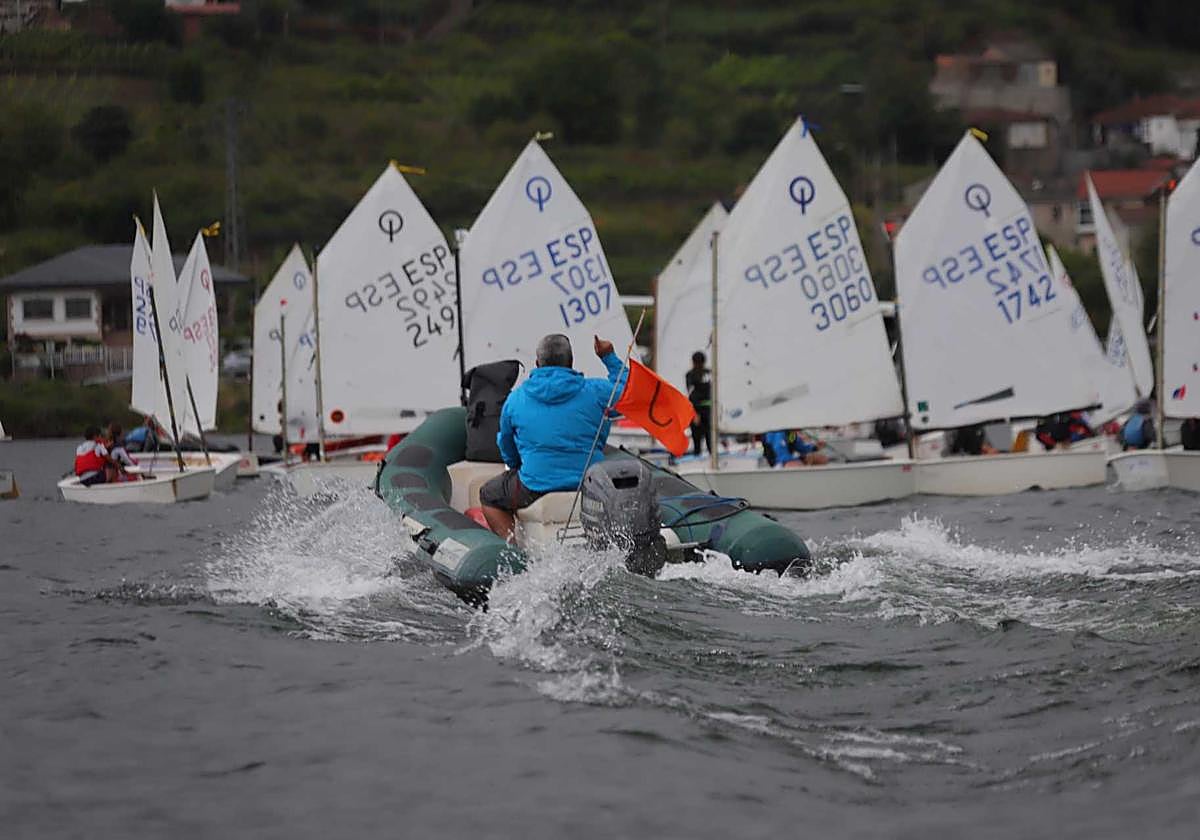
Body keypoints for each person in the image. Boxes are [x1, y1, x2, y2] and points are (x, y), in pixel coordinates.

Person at [480, 333, 626, 541]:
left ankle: (512, 549)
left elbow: (507, 445)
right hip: (590, 484)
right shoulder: (597, 391)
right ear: (571, 362)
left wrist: (516, 465)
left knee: (489, 494)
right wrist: (608, 356)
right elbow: (629, 393)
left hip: (535, 486)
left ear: (537, 363)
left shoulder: (516, 399)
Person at [685, 351, 712, 456]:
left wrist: (695, 413)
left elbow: (691, 393)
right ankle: (710, 455)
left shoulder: (690, 375)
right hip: (708, 409)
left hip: (698, 410)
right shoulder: (710, 373)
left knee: (698, 438)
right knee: (708, 437)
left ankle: (698, 455)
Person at [761, 429, 828, 467]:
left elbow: (800, 447)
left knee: (822, 459)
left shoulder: (791, 433)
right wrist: (802, 458)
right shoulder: (778, 432)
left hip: (788, 459)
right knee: (797, 464)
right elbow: (782, 456)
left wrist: (815, 447)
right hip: (777, 462)